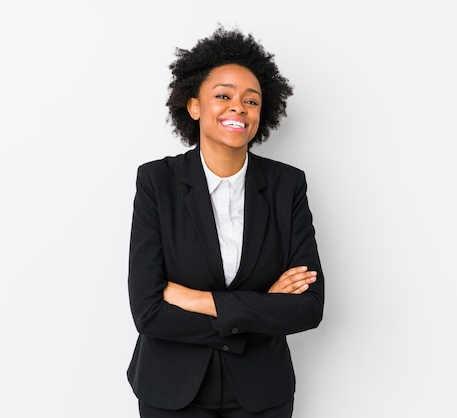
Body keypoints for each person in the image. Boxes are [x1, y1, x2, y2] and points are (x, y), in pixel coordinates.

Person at [127, 26, 325, 418]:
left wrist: (200, 301)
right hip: (171, 390)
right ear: (195, 106)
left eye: (251, 100)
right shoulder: (157, 182)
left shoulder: (288, 186)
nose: (238, 107)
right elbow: (148, 312)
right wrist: (263, 306)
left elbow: (309, 308)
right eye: (223, 95)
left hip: (262, 393)